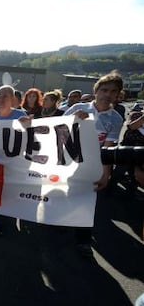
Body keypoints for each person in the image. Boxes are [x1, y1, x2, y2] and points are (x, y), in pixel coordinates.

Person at [64, 71, 124, 258]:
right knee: (63, 195)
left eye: (113, 91)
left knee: (86, 203)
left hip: (92, 167)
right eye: (104, 90)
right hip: (68, 162)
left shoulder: (115, 119)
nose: (108, 94)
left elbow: (108, 147)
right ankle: (58, 222)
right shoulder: (78, 108)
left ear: (118, 95)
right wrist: (73, 120)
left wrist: (105, 173)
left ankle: (83, 241)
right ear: (96, 91)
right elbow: (58, 132)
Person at [0, 85, 30, 235]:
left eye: (5, 96)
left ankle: (4, 214)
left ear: (12, 99)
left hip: (13, 163)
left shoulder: (21, 116)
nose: (1, 99)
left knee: (8, 191)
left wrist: (28, 126)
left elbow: (31, 139)